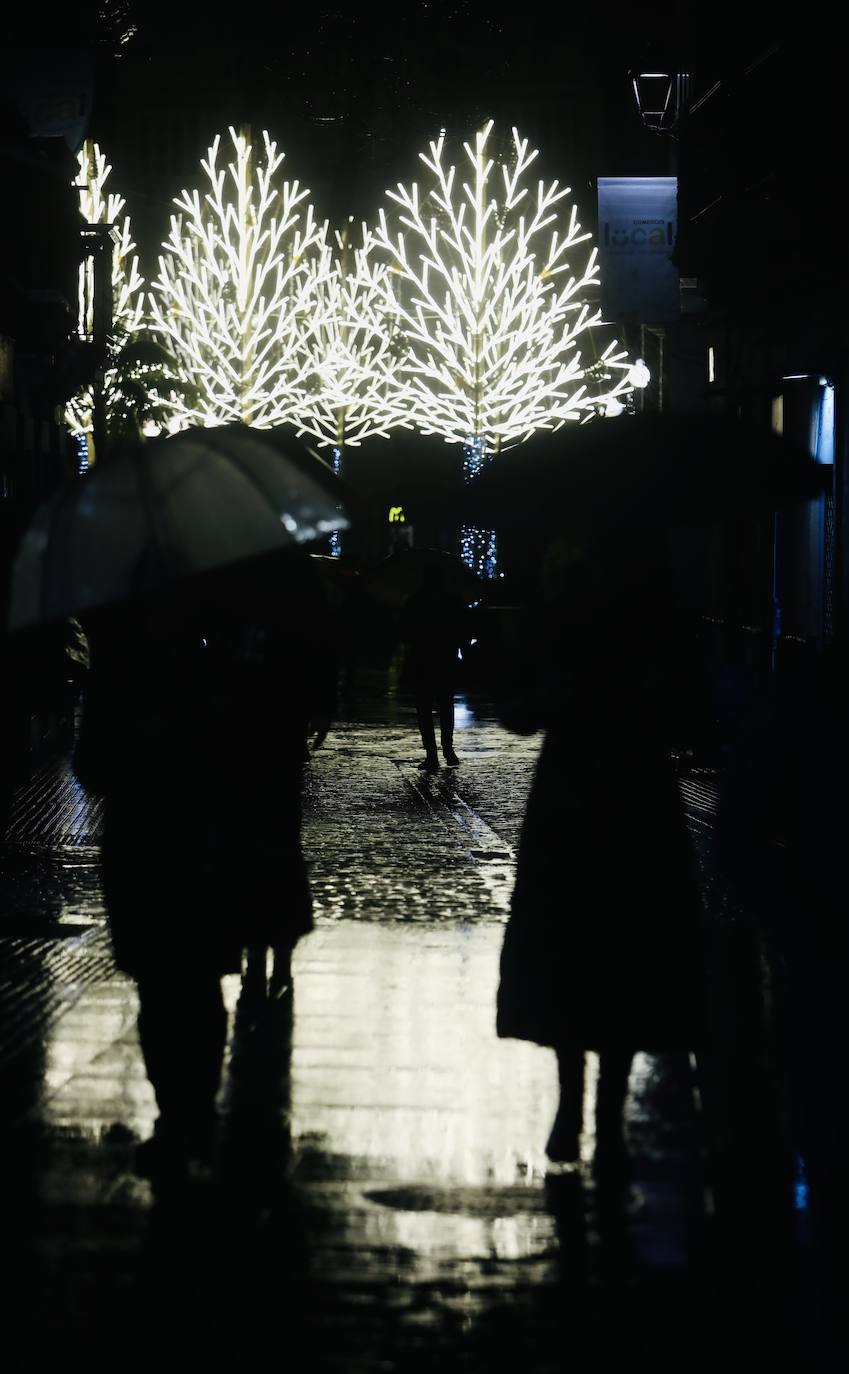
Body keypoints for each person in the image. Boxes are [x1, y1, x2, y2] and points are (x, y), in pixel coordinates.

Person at [73, 548, 336, 1185]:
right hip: (202, 846)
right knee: (192, 986)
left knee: (164, 990)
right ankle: (189, 1115)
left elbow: (93, 767)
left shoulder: (123, 671)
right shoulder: (218, 666)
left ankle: (178, 1116)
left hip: (145, 850)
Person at [495, 528, 708, 1179]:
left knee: (571, 942)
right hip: (632, 794)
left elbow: (520, 712)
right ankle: (603, 1117)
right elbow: (689, 710)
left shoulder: (564, 617)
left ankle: (575, 1108)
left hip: (574, 794)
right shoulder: (651, 614)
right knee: (624, 946)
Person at [400, 558, 467, 771]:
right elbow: (462, 631)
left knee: (424, 708)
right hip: (446, 659)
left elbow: (405, 633)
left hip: (422, 660)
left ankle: (432, 754)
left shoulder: (415, 601)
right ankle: (448, 749)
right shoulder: (453, 601)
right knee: (446, 706)